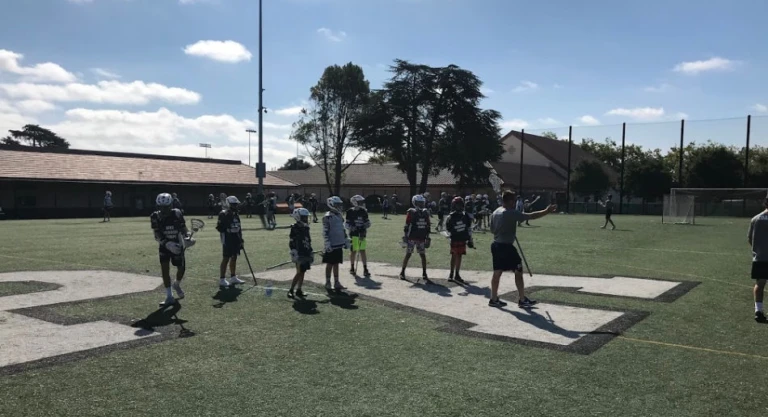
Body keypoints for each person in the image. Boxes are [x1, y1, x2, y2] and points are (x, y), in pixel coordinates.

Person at [489, 190, 556, 308]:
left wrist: (505, 230)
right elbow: (530, 216)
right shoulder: (510, 212)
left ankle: (494, 299)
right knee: (518, 270)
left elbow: (492, 230)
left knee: (497, 272)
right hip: (506, 247)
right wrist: (546, 211)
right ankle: (522, 299)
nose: (515, 203)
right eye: (514, 201)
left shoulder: (495, 212)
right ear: (510, 201)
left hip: (496, 245)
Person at [150, 193, 189, 307]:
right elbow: (156, 234)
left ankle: (176, 284)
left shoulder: (177, 213)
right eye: (161, 207)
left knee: (181, 268)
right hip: (164, 245)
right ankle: (169, 296)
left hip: (177, 244)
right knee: (165, 270)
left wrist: (187, 236)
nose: (164, 210)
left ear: (171, 205)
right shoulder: (155, 216)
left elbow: (183, 227)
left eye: (166, 207)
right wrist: (167, 244)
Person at [400, 194, 432, 283]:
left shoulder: (425, 212)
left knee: (422, 255)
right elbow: (406, 225)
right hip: (412, 237)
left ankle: (424, 273)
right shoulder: (411, 212)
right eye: (419, 203)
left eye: (422, 203)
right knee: (408, 254)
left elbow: (428, 226)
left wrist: (428, 237)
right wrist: (405, 236)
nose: (421, 204)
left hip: (421, 237)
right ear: (415, 203)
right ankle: (402, 272)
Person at [216, 196, 246, 288]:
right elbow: (219, 227)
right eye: (234, 204)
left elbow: (239, 227)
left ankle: (233, 277)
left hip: (235, 238)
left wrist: (241, 239)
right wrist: (228, 229)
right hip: (227, 239)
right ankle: (222, 279)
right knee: (226, 258)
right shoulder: (223, 214)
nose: (236, 206)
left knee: (234, 257)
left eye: (236, 204)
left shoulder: (236, 214)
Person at [323, 196, 349, 291]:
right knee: (330, 263)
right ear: (331, 205)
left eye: (339, 204)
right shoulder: (327, 217)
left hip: (339, 243)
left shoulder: (339, 215)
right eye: (337, 204)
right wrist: (327, 243)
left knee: (336, 263)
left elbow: (342, 229)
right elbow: (325, 231)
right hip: (331, 244)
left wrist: (346, 240)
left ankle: (337, 282)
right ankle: (328, 282)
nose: (339, 206)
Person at [446, 196, 474, 284]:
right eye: (456, 205)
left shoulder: (466, 216)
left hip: (462, 238)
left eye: (459, 205)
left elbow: (469, 228)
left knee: (460, 256)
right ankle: (451, 273)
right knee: (454, 255)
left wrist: (470, 239)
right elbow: (448, 228)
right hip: (454, 238)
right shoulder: (451, 216)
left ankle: (457, 274)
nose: (458, 207)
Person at [749, 197, 768, 322]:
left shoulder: (755, 219)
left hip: (760, 258)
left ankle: (758, 311)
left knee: (759, 284)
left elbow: (750, 238)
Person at [288, 207, 314, 299]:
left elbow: (308, 240)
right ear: (298, 217)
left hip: (305, 251)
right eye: (304, 217)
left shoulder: (306, 228)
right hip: (299, 252)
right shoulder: (295, 227)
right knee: (299, 272)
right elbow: (292, 241)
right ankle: (291, 289)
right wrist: (294, 252)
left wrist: (310, 250)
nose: (306, 219)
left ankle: (299, 289)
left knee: (303, 271)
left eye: (306, 217)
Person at [346, 195, 372, 277]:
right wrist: (352, 228)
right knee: (353, 250)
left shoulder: (364, 211)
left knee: (362, 250)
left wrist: (363, 228)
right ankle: (352, 267)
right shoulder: (350, 211)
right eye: (360, 202)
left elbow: (368, 222)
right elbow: (346, 224)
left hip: (362, 234)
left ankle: (365, 268)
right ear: (355, 202)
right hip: (353, 234)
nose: (362, 203)